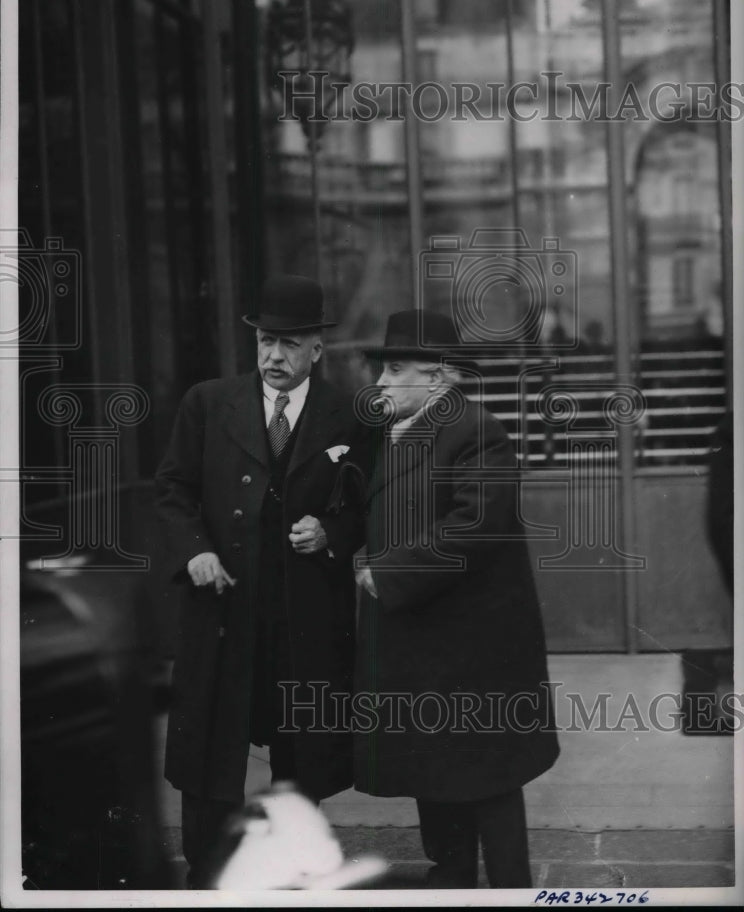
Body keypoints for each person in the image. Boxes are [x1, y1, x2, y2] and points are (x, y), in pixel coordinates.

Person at [155, 275, 364, 886]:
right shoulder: (206, 403)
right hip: (222, 610)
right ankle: (206, 872)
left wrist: (330, 533)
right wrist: (194, 551)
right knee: (212, 745)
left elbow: (362, 504)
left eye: (291, 345)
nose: (275, 356)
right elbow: (173, 490)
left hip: (301, 617)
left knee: (299, 749)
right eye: (267, 342)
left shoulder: (346, 414)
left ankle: (290, 863)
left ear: (317, 350)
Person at [353, 309, 560, 889]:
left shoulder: (474, 429)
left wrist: (386, 574)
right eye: (383, 369)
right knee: (434, 773)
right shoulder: (392, 434)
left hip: (473, 651)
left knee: (488, 781)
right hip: (424, 642)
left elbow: (473, 527)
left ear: (439, 378)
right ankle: (451, 885)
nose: (383, 382)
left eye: (397, 370)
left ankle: (512, 891)